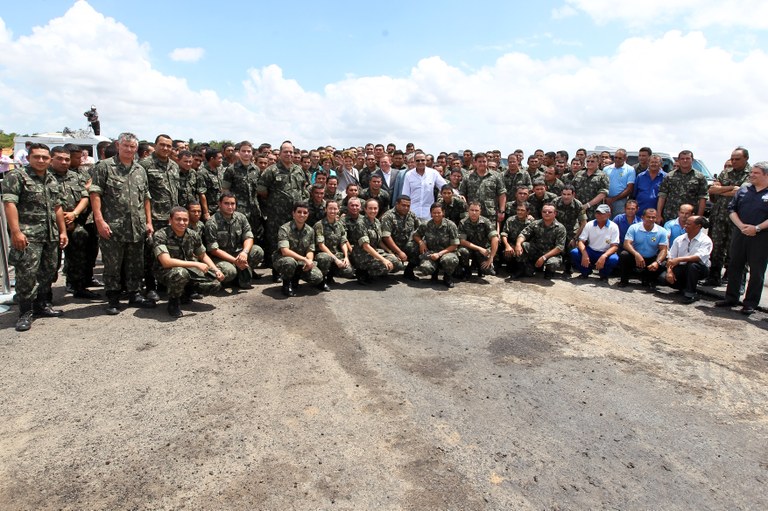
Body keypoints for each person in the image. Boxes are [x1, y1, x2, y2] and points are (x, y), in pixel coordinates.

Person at [3, 143, 68, 331]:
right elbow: (9, 204)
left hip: (50, 235)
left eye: (44, 157)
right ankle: (25, 312)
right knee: (27, 275)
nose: (41, 160)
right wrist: (16, 232)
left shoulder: (51, 179)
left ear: (49, 159)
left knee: (48, 271)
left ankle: (42, 305)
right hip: (28, 235)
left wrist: (62, 231)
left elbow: (58, 208)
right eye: (37, 157)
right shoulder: (17, 176)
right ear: (29, 158)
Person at [90, 132, 155, 315]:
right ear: (118, 146)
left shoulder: (140, 170)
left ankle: (134, 294)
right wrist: (99, 220)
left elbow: (146, 198)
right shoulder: (105, 167)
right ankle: (113, 298)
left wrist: (148, 222)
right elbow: (95, 194)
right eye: (125, 146)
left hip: (136, 226)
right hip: (113, 227)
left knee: (135, 263)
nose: (129, 150)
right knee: (113, 265)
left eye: (132, 147)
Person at [715, 162, 768, 315]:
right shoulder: (744, 189)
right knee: (734, 265)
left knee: (757, 271)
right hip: (740, 233)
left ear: (766, 175)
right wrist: (741, 226)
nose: (751, 175)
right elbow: (732, 209)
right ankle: (731, 298)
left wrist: (756, 228)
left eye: (756, 173)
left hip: (761, 236)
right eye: (751, 172)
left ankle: (750, 303)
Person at [153, 207, 224, 317]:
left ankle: (186, 291)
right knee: (181, 273)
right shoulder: (161, 235)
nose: (182, 223)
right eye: (178, 219)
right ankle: (173, 302)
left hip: (188, 270)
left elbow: (203, 255)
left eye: (185, 220)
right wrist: (196, 264)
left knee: (215, 283)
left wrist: (216, 270)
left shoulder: (193, 234)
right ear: (170, 220)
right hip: (165, 272)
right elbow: (166, 262)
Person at [49, 146, 97, 299]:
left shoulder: (75, 176)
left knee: (78, 258)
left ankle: (78, 286)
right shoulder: (45, 176)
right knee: (50, 263)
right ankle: (41, 296)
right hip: (50, 225)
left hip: (74, 223)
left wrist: (74, 214)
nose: (64, 162)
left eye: (67, 159)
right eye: (60, 159)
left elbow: (85, 196)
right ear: (51, 159)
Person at [257, 141, 308, 280]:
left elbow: (302, 189)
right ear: (279, 153)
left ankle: (293, 270)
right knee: (275, 242)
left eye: (291, 152)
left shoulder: (298, 170)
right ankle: (276, 271)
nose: (288, 154)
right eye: (285, 151)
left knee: (292, 241)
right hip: (276, 215)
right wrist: (275, 201)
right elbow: (261, 190)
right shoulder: (271, 170)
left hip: (295, 215)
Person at [139, 134, 180, 302]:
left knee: (168, 252)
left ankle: (165, 283)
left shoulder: (174, 166)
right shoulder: (144, 165)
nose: (165, 148)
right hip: (154, 217)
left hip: (171, 219)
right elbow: (142, 194)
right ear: (155, 145)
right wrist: (147, 220)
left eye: (169, 146)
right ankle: (150, 287)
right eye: (162, 145)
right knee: (150, 253)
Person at [706, 147, 751, 286]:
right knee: (717, 248)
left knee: (737, 251)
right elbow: (712, 190)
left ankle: (738, 282)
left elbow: (741, 191)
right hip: (720, 216)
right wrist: (731, 188)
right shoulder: (725, 172)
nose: (734, 161)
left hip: (738, 219)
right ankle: (713, 277)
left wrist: (722, 190)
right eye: (732, 159)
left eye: (737, 159)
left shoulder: (750, 174)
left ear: (746, 159)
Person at [204, 192, 264, 289]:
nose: (230, 206)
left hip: (238, 254)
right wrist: (235, 261)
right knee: (230, 272)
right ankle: (234, 276)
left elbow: (248, 237)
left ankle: (241, 274)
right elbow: (213, 250)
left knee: (257, 251)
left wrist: (244, 252)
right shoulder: (212, 223)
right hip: (221, 258)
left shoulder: (241, 217)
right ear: (219, 204)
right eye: (226, 203)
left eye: (233, 203)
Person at [273, 202, 325, 297]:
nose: (302, 215)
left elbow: (310, 249)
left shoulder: (310, 230)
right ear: (293, 213)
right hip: (284, 259)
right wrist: (304, 259)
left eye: (305, 212)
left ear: (308, 214)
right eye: (299, 212)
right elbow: (285, 251)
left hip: (301, 261)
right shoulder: (285, 228)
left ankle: (295, 277)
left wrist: (309, 261)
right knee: (290, 262)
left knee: (317, 277)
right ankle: (286, 284)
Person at [347, 198, 403, 284]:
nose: (373, 211)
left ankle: (375, 271)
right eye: (370, 208)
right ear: (365, 209)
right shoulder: (360, 223)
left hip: (373, 251)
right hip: (362, 255)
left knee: (397, 263)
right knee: (385, 266)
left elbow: (379, 241)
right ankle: (363, 273)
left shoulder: (376, 221)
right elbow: (366, 246)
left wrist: (389, 252)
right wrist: (383, 260)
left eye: (375, 208)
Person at [665, 216, 712, 304]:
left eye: (689, 224)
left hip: (700, 269)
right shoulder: (679, 239)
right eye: (686, 223)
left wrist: (679, 259)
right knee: (664, 278)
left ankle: (690, 294)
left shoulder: (705, 240)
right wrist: (669, 271)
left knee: (693, 265)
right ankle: (683, 288)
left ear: (698, 226)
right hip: (682, 267)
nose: (685, 225)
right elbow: (671, 257)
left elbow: (699, 257)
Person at [412, 203, 460, 288]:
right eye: (434, 213)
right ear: (431, 213)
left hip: (447, 253)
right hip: (432, 253)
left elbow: (455, 245)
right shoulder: (426, 224)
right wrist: (421, 243)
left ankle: (447, 277)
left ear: (443, 213)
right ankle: (434, 273)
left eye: (439, 212)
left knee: (449, 260)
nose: (436, 215)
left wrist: (439, 254)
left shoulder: (450, 225)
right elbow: (416, 235)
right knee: (425, 268)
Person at [618, 208, 668, 288]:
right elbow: (626, 244)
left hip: (651, 258)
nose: (651, 219)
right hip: (635, 257)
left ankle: (648, 279)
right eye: (648, 217)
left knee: (663, 263)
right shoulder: (634, 228)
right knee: (624, 255)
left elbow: (663, 249)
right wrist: (636, 254)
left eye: (653, 217)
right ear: (642, 217)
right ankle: (624, 280)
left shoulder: (662, 231)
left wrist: (657, 262)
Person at [513, 204, 566, 279]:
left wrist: (543, 258)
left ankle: (549, 272)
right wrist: (518, 244)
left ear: (555, 213)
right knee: (523, 245)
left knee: (552, 263)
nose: (546, 213)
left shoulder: (560, 228)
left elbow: (559, 247)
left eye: (549, 212)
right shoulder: (536, 223)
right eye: (544, 211)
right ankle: (523, 269)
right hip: (537, 251)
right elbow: (523, 234)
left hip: (551, 254)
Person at [657, 150, 708, 224]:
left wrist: (698, 217)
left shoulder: (700, 177)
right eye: (682, 158)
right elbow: (662, 196)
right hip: (670, 216)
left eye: (687, 158)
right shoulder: (669, 176)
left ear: (692, 160)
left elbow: (703, 198)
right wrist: (658, 215)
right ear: (678, 160)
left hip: (690, 216)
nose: (685, 160)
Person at [570, 204, 620, 281]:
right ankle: (585, 272)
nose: (599, 215)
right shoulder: (590, 224)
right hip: (591, 250)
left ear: (609, 214)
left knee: (614, 259)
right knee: (574, 252)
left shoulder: (614, 227)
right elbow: (581, 241)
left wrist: (604, 256)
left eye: (602, 213)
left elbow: (615, 246)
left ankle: (604, 275)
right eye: (597, 213)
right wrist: (584, 254)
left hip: (604, 251)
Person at [458, 152, 506, 227]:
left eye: (484, 161)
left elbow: (502, 193)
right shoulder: (468, 176)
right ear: (475, 162)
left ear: (487, 162)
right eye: (479, 161)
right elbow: (462, 194)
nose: (482, 164)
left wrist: (502, 211)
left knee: (491, 235)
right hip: (473, 213)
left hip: (490, 213)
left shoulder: (496, 176)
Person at [313, 199, 355, 285]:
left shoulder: (339, 225)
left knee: (349, 271)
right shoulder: (319, 225)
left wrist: (346, 257)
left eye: (335, 209)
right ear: (326, 210)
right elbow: (321, 245)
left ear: (338, 210)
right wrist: (335, 260)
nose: (333, 211)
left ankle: (330, 275)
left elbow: (343, 241)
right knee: (324, 258)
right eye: (330, 208)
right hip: (322, 254)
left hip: (336, 254)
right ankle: (322, 280)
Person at [380, 195, 421, 281]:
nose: (406, 208)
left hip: (405, 245)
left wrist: (421, 243)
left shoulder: (411, 215)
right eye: (403, 205)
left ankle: (409, 271)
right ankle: (380, 273)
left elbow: (420, 229)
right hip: (389, 248)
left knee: (419, 248)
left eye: (408, 206)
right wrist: (398, 252)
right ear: (397, 204)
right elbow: (386, 237)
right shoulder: (388, 216)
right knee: (397, 265)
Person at [458, 201, 499, 278]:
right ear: (468, 211)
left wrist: (491, 258)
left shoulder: (486, 221)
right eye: (472, 210)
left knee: (489, 271)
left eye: (476, 210)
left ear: (480, 211)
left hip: (483, 251)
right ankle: (466, 269)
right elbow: (462, 241)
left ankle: (480, 268)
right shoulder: (463, 222)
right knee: (462, 251)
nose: (474, 213)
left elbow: (495, 239)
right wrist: (479, 248)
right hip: (470, 249)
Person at [402, 151, 447, 221]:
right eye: (417, 160)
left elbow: (445, 187)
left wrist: (458, 195)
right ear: (414, 161)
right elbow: (405, 195)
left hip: (429, 214)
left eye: (422, 160)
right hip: (412, 213)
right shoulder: (409, 175)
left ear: (426, 161)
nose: (420, 162)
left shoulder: (433, 173)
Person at [552, 185, 587, 275]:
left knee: (571, 246)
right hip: (557, 228)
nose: (566, 197)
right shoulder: (555, 202)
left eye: (568, 194)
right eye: (564, 194)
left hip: (571, 230)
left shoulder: (578, 205)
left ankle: (569, 266)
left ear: (573, 194)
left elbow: (583, 223)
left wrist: (575, 238)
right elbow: (549, 217)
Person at [571, 153, 609, 220]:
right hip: (579, 209)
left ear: (598, 162)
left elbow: (603, 194)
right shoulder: (579, 174)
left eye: (592, 161)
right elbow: (572, 190)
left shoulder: (602, 176)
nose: (589, 163)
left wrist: (588, 205)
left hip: (595, 210)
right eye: (588, 161)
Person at [603, 149, 636, 216]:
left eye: (620, 158)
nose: (617, 160)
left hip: (621, 202)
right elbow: (602, 185)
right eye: (615, 157)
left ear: (625, 158)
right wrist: (607, 199)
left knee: (619, 221)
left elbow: (629, 188)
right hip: (606, 201)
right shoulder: (606, 169)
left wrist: (613, 199)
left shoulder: (630, 169)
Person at [197, 148, 224, 219]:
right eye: (219, 158)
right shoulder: (202, 173)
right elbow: (202, 194)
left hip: (221, 209)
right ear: (212, 159)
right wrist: (206, 212)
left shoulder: (220, 171)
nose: (221, 160)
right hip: (211, 210)